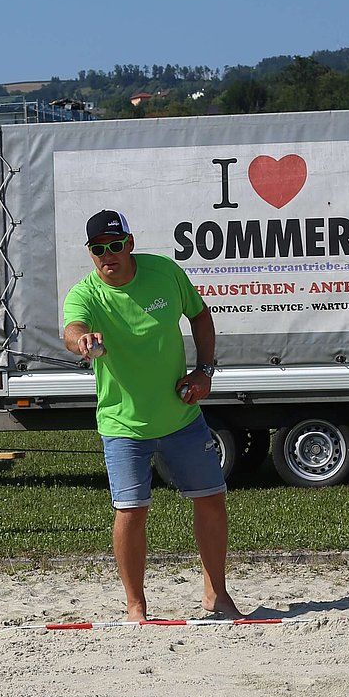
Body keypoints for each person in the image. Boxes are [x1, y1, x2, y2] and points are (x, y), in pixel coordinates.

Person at [63, 209, 240, 624]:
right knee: (131, 510)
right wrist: (83, 341)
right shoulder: (86, 293)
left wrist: (205, 370)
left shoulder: (164, 273)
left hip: (179, 415)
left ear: (130, 242)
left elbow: (199, 315)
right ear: (90, 253)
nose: (108, 254)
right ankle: (136, 606)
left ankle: (217, 595)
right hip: (124, 425)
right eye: (98, 249)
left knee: (212, 500)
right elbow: (73, 329)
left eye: (114, 245)